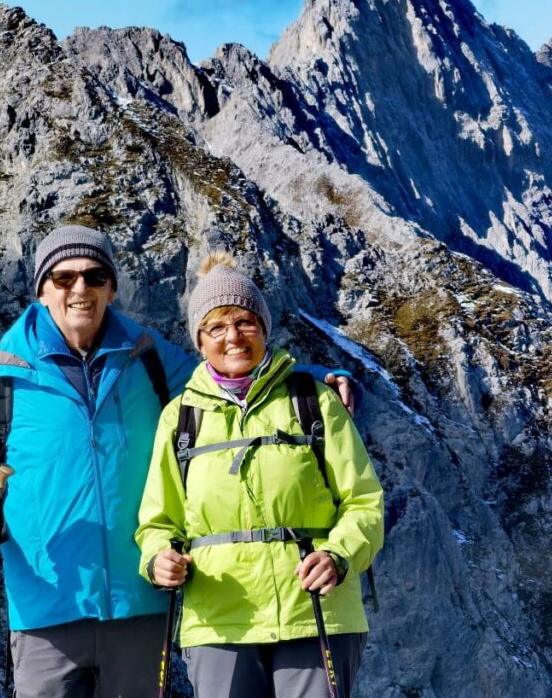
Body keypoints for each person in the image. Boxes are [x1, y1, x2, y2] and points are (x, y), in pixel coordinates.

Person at [0, 225, 356, 697]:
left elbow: (230, 373)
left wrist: (318, 377)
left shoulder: (149, 357)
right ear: (41, 289)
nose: (80, 290)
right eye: (64, 278)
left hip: (142, 603)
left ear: (112, 288)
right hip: (45, 602)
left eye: (95, 277)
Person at [137, 253, 384, 698]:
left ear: (264, 329)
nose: (233, 336)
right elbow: (158, 521)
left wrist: (339, 555)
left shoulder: (314, 401)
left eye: (245, 321)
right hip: (219, 620)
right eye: (216, 327)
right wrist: (158, 560)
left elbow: (364, 501)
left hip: (315, 612)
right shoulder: (180, 418)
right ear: (199, 340)